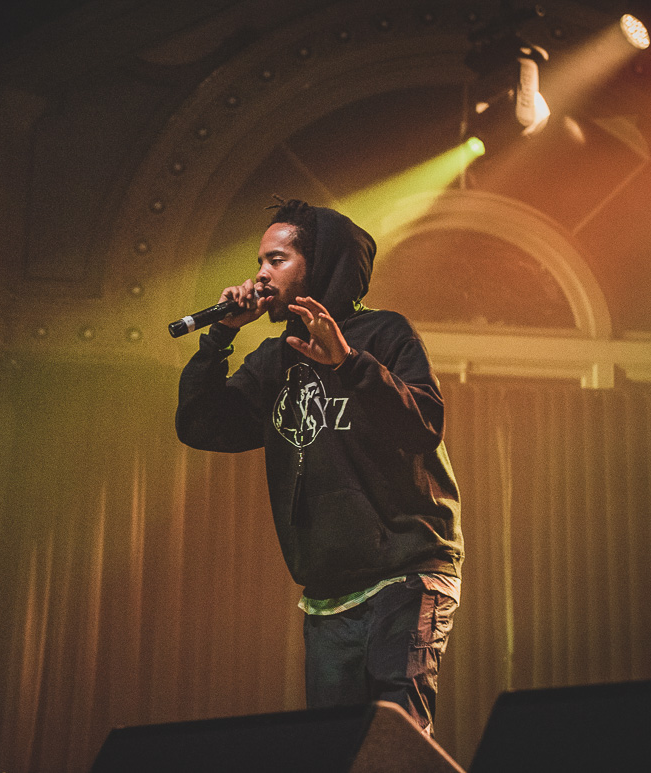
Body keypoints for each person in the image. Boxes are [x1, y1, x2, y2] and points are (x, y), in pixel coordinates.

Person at [175, 198, 463, 735]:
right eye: (260, 261)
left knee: (394, 735)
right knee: (335, 749)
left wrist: (349, 364)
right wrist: (221, 338)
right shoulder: (273, 359)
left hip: (407, 569)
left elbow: (423, 424)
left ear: (321, 264)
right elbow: (202, 425)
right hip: (330, 592)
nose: (261, 274)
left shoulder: (383, 334)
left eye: (277, 260)